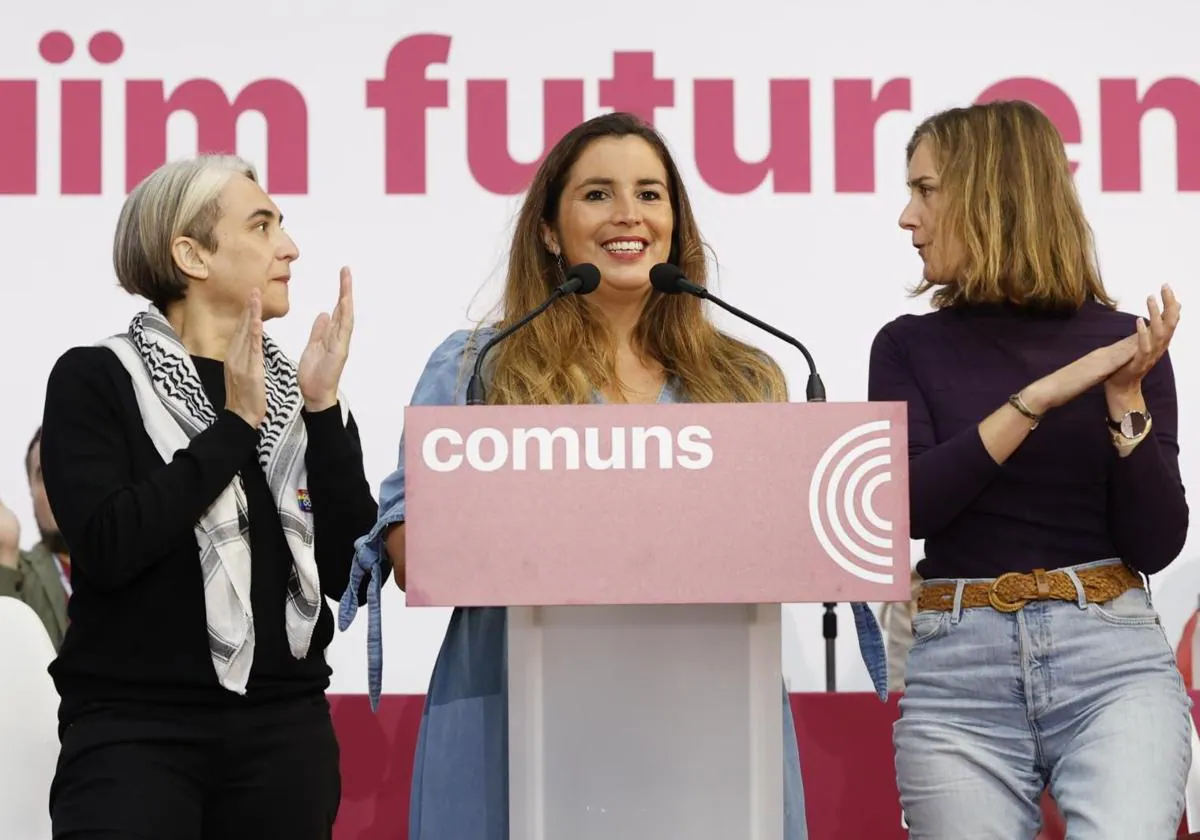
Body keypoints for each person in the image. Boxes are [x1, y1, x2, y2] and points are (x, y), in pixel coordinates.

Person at [338, 111, 889, 840]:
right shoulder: (480, 365)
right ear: (548, 229)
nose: (629, 214)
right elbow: (415, 559)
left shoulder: (745, 378)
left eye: (651, 194)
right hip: (510, 709)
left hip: (708, 726)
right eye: (598, 194)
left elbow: (789, 544)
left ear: (676, 222)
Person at [869, 100, 1190, 838]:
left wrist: (1122, 398)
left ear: (989, 194)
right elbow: (911, 510)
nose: (906, 218)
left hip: (1114, 664)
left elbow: (1156, 543)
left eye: (925, 191)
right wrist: (1039, 399)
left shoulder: (1123, 348)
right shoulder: (906, 347)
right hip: (957, 678)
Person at [39, 154, 379, 840]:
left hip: (285, 733)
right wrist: (232, 428)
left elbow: (349, 573)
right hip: (134, 736)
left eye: (282, 225)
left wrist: (322, 407)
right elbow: (107, 546)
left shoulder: (296, 398)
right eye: (262, 226)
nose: (290, 246)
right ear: (190, 254)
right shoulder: (97, 378)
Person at [0, 428, 70, 650]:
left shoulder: (134, 560)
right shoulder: (19, 573)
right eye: (44, 474)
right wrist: (6, 552)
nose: (58, 485)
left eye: (68, 469)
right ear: (31, 489)